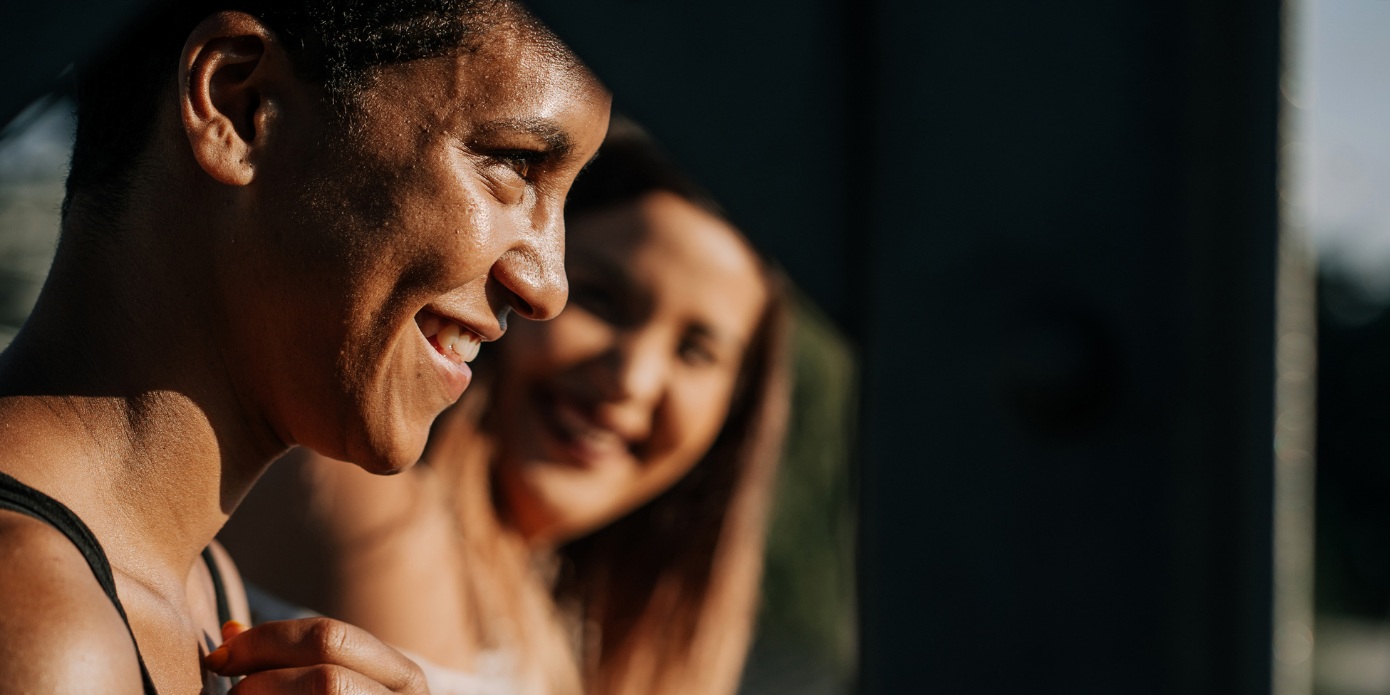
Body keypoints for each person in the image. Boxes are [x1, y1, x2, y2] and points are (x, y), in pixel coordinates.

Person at [0, 0, 610, 692]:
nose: (547, 286)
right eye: (515, 164)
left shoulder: (204, 592)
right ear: (241, 107)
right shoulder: (42, 624)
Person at [222, 121, 792, 695]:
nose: (632, 379)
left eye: (695, 351)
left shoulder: (559, 618)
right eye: (601, 298)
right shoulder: (382, 519)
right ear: (515, 279)